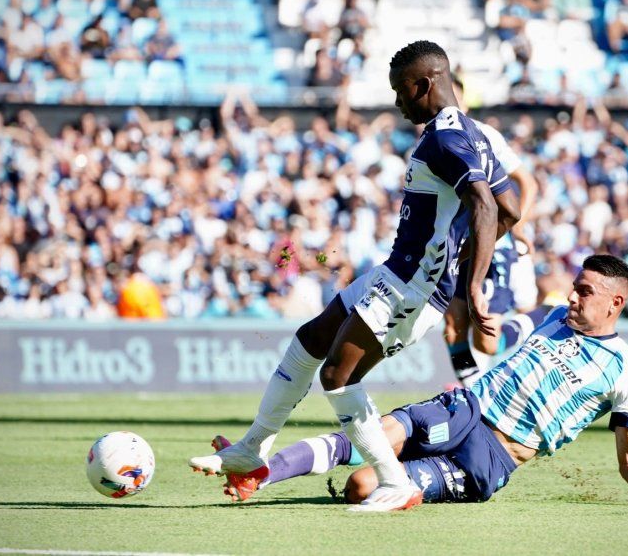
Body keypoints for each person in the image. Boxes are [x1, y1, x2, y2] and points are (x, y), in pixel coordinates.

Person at [189, 40, 521, 512]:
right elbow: (512, 207)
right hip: (395, 272)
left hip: (413, 288)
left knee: (338, 376)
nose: (397, 101)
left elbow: (488, 207)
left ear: (424, 84)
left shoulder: (446, 140)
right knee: (309, 339)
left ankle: (395, 482)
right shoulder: (475, 135)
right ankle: (252, 449)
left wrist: (468, 282)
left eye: (400, 90)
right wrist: (459, 253)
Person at [220, 255, 628, 510]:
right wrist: (472, 324)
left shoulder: (626, 374)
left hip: (492, 458)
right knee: (373, 435)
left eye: (585, 292)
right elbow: (488, 342)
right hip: (463, 407)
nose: (572, 296)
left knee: (360, 487)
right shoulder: (548, 317)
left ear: (615, 302)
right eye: (574, 286)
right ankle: (258, 474)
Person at [444, 74, 539, 386]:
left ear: (466, 103)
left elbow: (527, 181)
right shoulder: (432, 140)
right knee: (452, 328)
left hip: (492, 245)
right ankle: (476, 398)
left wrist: (518, 223)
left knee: (488, 341)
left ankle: (542, 315)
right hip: (460, 247)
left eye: (454, 95)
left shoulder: (485, 135)